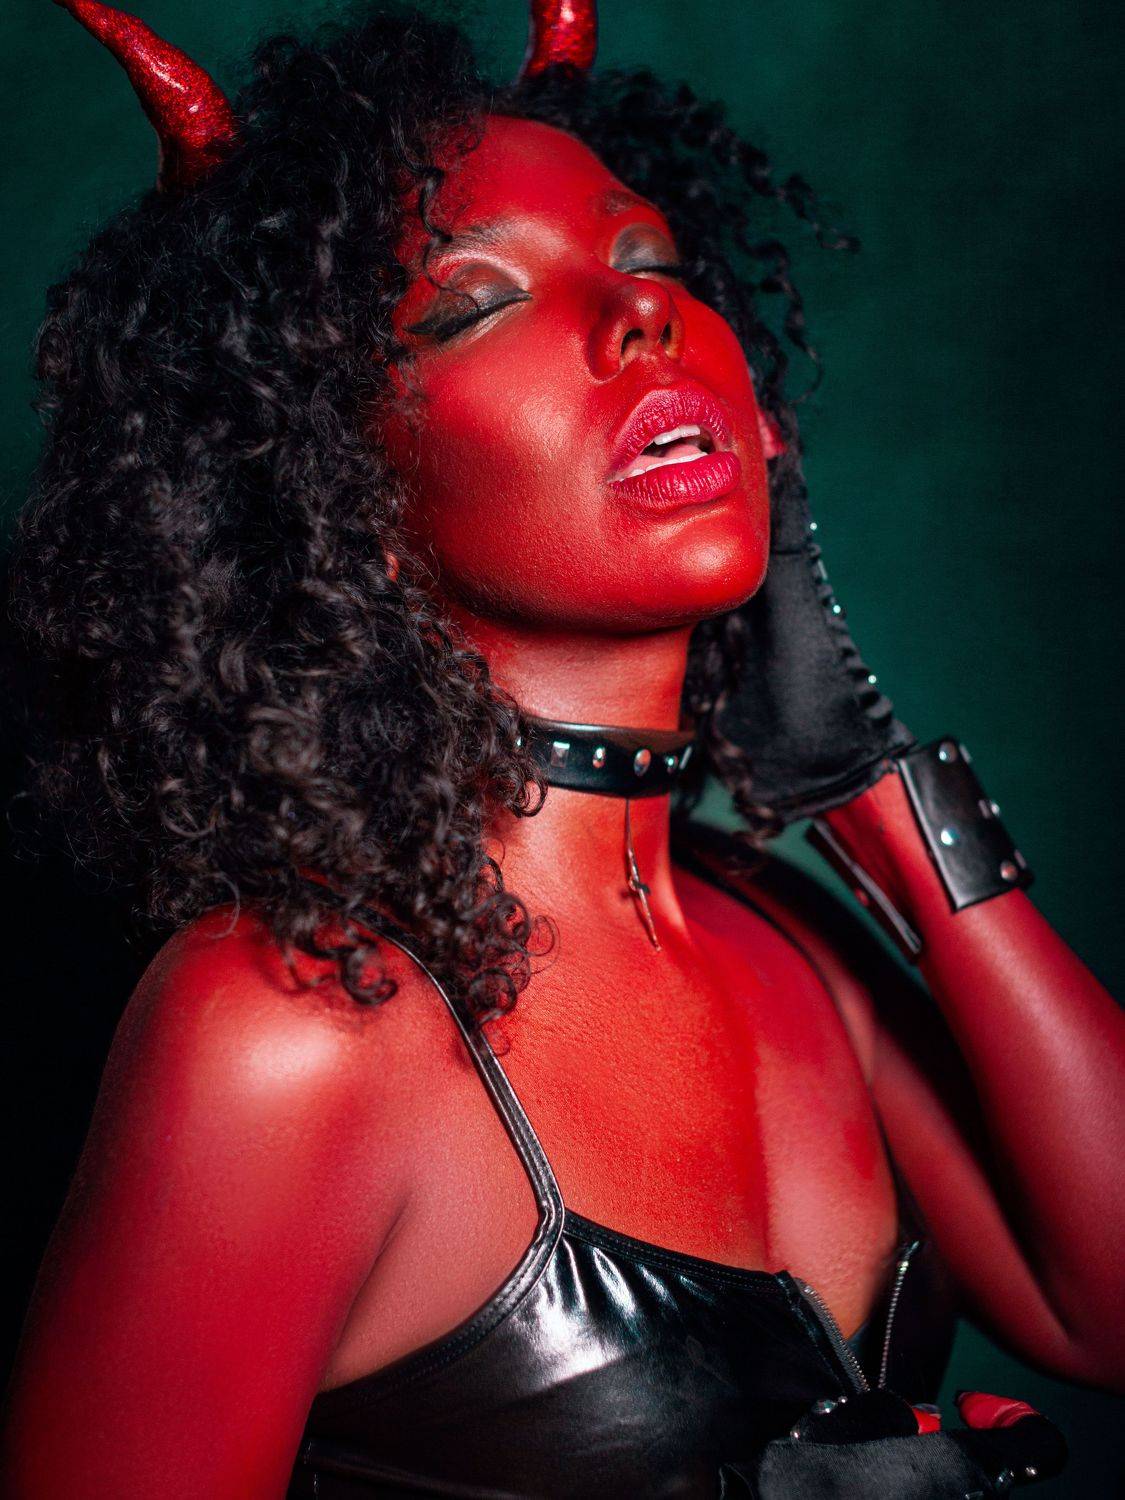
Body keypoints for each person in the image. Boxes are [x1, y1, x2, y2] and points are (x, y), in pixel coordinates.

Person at [2, 2, 1122, 1495]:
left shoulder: (789, 937)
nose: (638, 314)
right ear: (331, 485)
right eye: (472, 304)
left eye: (649, 257)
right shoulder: (290, 1025)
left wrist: (864, 782)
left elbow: (1106, 1308)